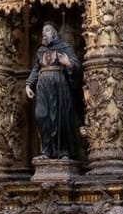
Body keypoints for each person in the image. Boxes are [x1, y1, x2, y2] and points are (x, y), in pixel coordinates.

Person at [25, 22, 81, 160]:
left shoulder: (64, 47)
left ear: (55, 33)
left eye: (47, 31)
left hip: (60, 87)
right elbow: (35, 69)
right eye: (43, 32)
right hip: (43, 88)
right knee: (42, 116)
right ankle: (46, 151)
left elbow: (76, 65)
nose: (44, 34)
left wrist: (68, 63)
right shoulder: (40, 51)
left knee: (61, 118)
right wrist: (29, 84)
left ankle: (64, 152)